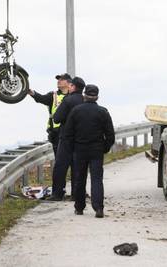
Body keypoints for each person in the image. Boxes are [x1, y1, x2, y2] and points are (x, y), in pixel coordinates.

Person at [63, 84, 115, 218]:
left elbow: (68, 133)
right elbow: (110, 135)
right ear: (97, 96)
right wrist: (105, 148)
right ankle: (98, 208)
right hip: (96, 150)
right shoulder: (103, 112)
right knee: (97, 179)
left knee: (80, 178)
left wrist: (72, 149)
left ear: (84, 95)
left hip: (79, 150)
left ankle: (79, 208)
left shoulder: (76, 111)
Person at [46, 76, 86, 201]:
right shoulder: (85, 100)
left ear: (73, 86)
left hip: (66, 138)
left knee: (60, 166)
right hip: (81, 139)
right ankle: (77, 194)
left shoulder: (68, 100)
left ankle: (57, 193)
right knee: (78, 167)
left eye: (70, 85)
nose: (68, 87)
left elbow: (57, 118)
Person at [28, 73, 71, 155]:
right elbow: (42, 98)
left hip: (68, 131)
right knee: (59, 158)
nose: (58, 81)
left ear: (68, 83)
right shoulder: (53, 95)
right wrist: (32, 93)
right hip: (55, 132)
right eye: (58, 79)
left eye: (61, 79)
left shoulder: (73, 96)